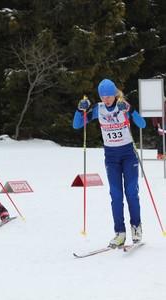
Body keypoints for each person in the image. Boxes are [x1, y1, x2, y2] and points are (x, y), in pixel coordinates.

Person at [72, 79, 146, 248]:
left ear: (115, 94)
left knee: (131, 192)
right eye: (103, 96)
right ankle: (119, 233)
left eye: (109, 96)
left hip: (128, 154)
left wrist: (130, 110)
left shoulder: (123, 105)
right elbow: (77, 125)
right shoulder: (98, 109)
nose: (106, 99)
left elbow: (142, 124)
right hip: (111, 157)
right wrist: (80, 109)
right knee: (116, 194)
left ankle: (136, 227)